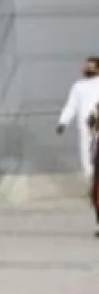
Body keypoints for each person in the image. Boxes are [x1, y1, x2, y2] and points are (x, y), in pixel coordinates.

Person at [56, 56, 99, 223]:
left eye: (91, 66)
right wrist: (63, 122)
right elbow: (71, 106)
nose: (87, 69)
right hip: (87, 135)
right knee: (89, 171)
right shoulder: (79, 87)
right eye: (86, 66)